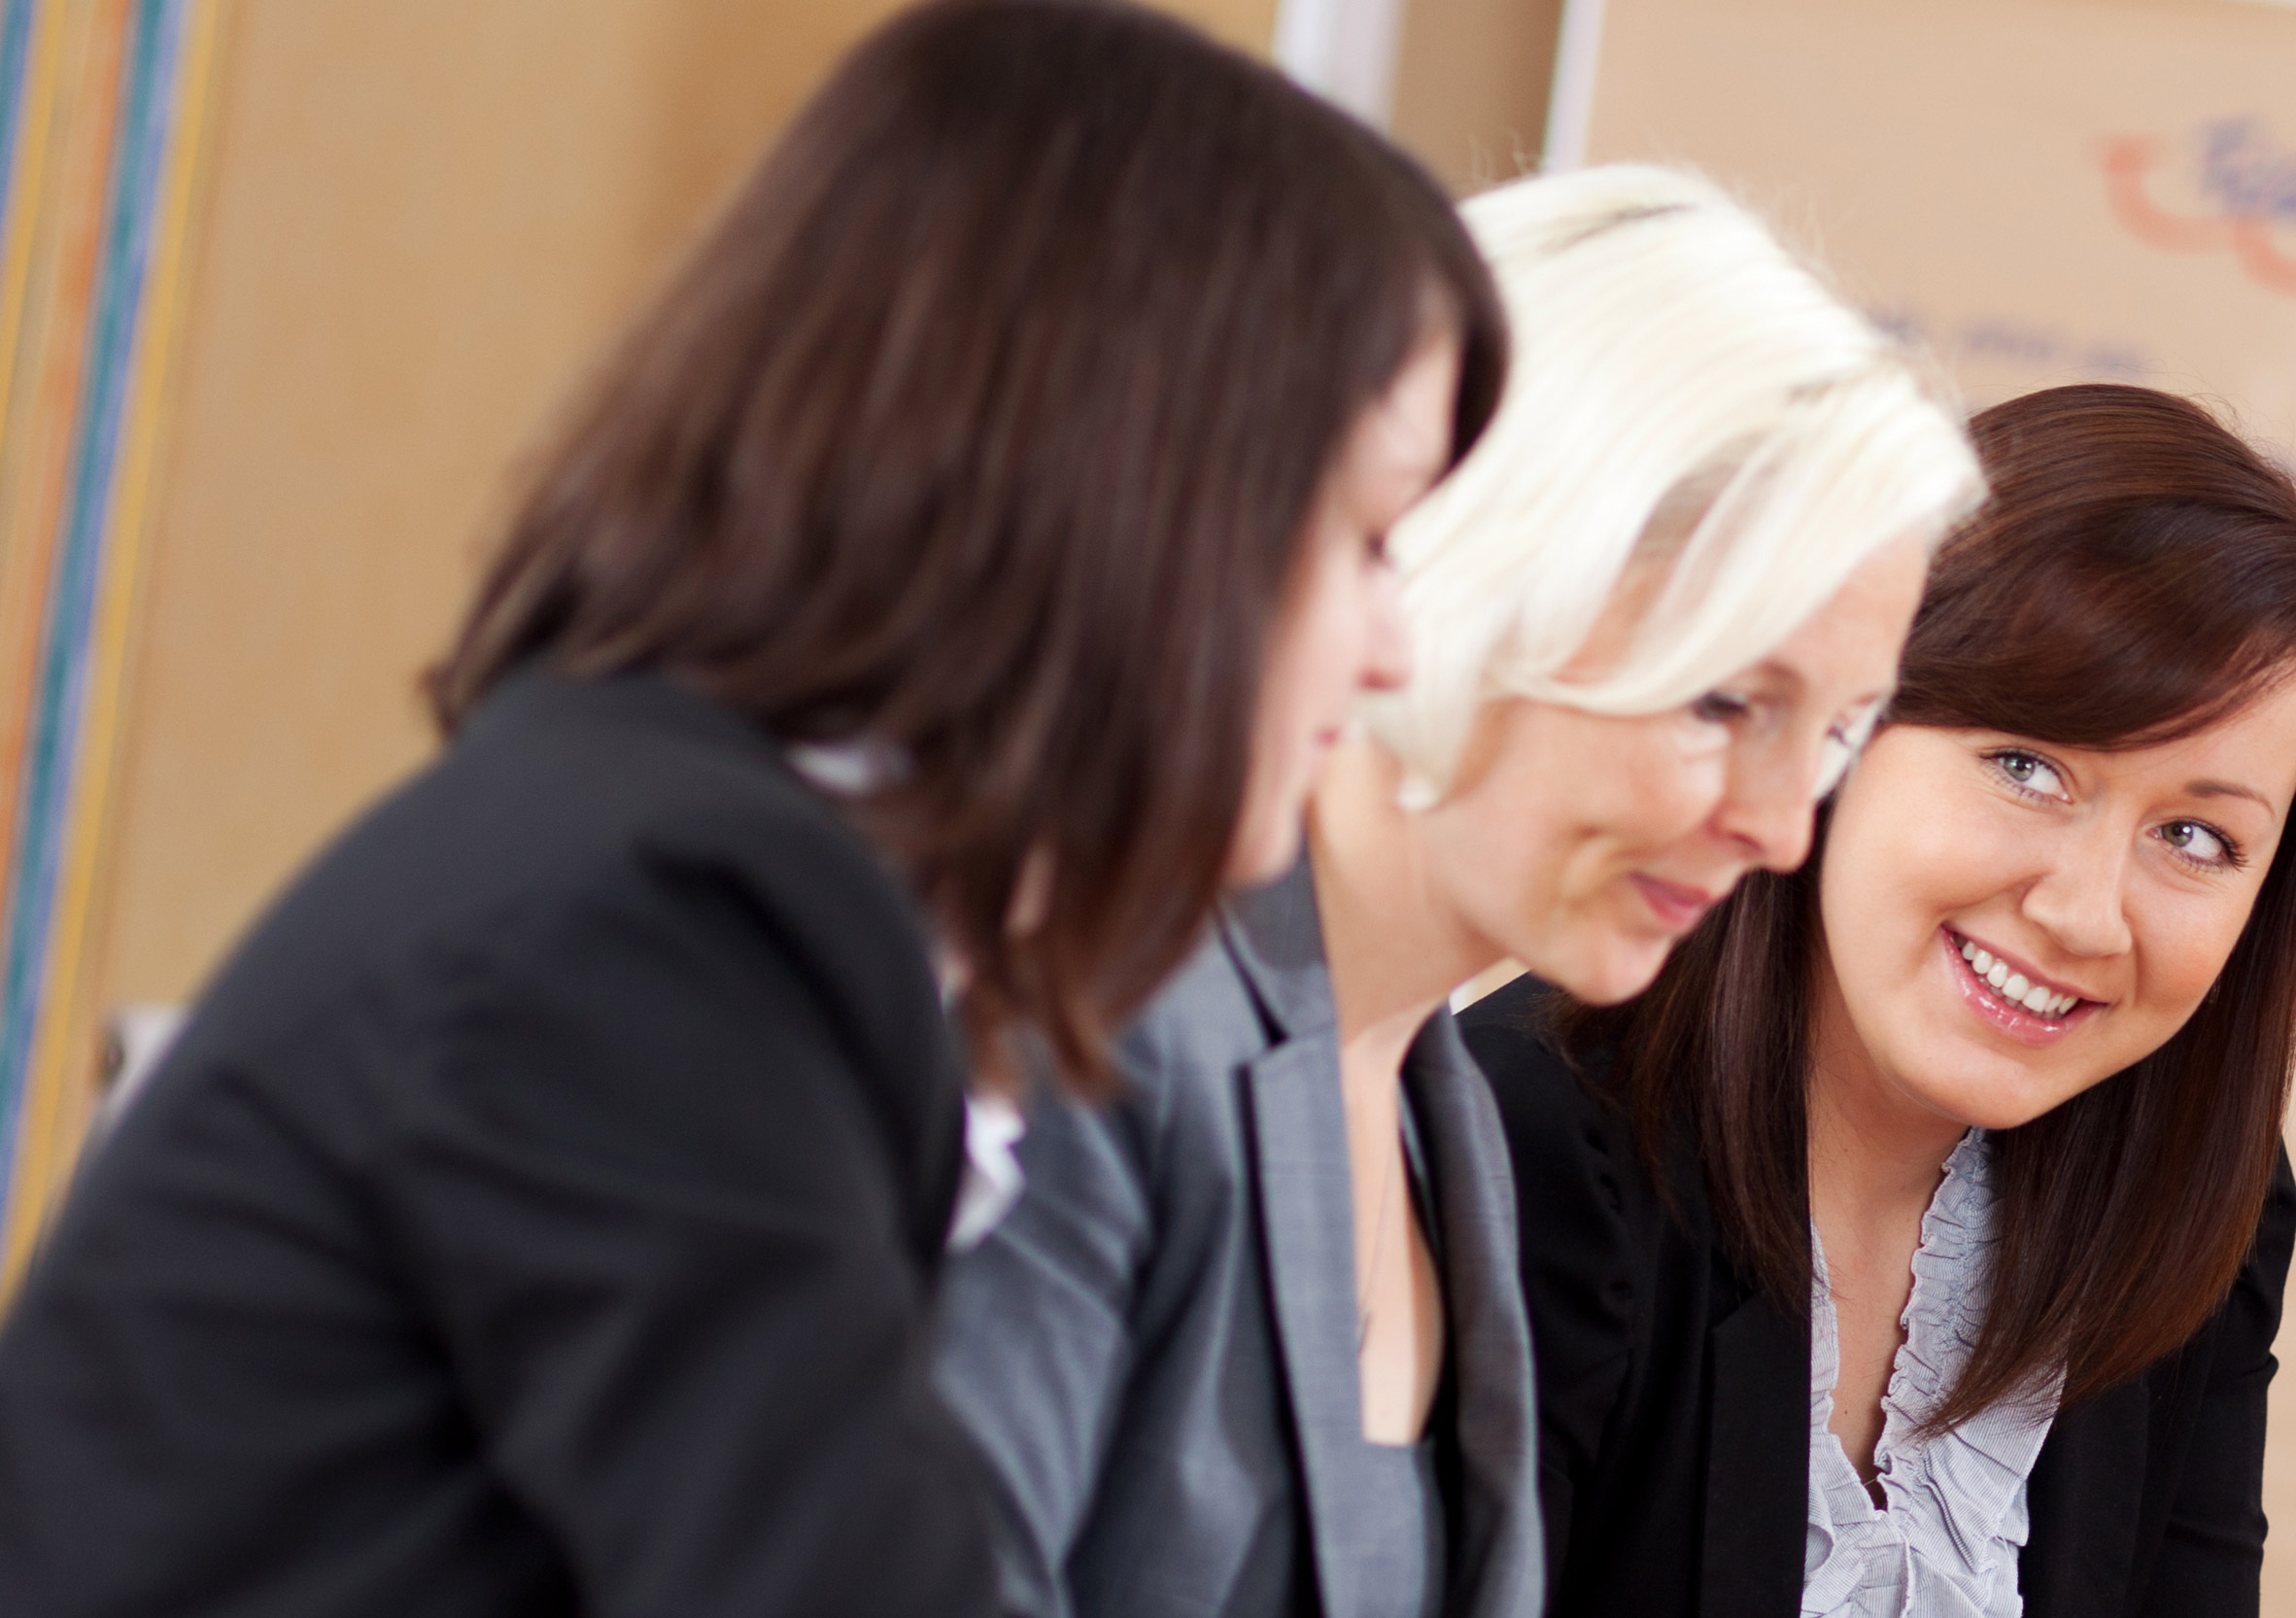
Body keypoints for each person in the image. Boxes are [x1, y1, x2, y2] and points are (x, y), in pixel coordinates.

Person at [0, 4, 1505, 1616]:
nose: (1398, 641)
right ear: (1128, 494)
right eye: (1360, 539)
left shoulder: (672, 853)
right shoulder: (676, 926)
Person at [931, 162, 1978, 1618]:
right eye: (1728, 702)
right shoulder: (1088, 1028)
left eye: (1839, 733)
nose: (1780, 832)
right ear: (1486, 566)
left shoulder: (1440, 1111)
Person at [1465, 382, 2296, 1618]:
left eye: (2198, 838)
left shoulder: (2192, 1188)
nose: (2083, 914)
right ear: (1846, 728)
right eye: (2026, 767)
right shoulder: (1519, 1141)